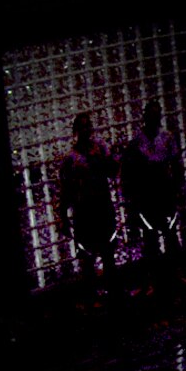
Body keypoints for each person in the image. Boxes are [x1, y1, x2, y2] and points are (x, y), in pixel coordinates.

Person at [118, 101, 182, 283]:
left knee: (170, 233)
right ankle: (156, 278)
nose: (154, 118)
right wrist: (131, 197)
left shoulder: (167, 137)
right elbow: (129, 170)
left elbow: (175, 164)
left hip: (165, 191)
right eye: (151, 115)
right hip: (147, 193)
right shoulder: (137, 142)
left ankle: (175, 274)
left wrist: (178, 188)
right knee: (150, 235)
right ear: (145, 117)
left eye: (157, 114)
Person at [57, 114, 116, 292]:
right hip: (84, 213)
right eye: (81, 127)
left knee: (108, 252)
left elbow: (113, 171)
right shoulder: (70, 158)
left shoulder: (101, 149)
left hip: (103, 208)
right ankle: (92, 295)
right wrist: (63, 217)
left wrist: (102, 158)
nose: (85, 131)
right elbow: (65, 189)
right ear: (76, 131)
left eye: (87, 126)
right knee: (87, 256)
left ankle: (113, 293)